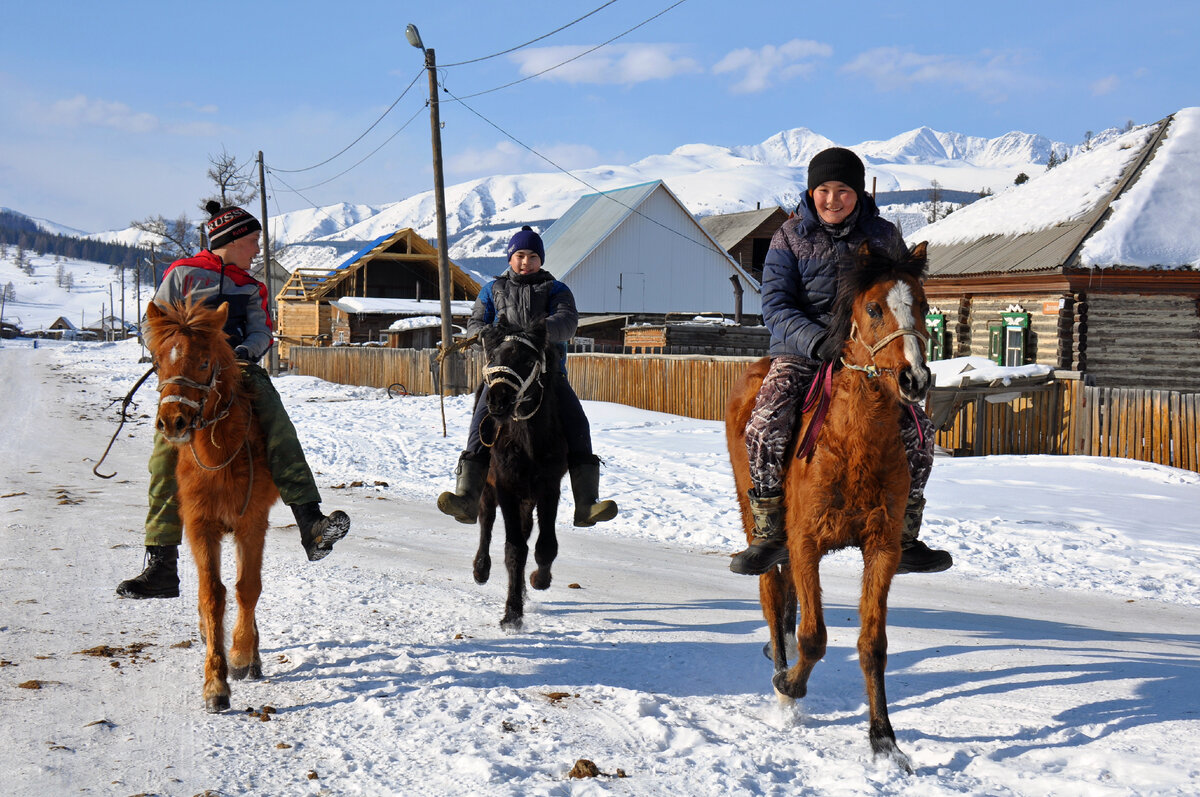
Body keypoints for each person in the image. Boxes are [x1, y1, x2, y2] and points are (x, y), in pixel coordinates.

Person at [729, 147, 953, 576]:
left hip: (870, 359)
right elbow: (775, 306)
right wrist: (817, 343)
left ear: (858, 194)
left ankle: (904, 535)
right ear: (811, 193)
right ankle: (770, 530)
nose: (833, 200)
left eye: (844, 190)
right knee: (764, 425)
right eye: (824, 190)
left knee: (919, 436)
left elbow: (899, 294)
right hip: (802, 353)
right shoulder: (788, 237)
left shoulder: (883, 236)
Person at [116, 201, 351, 599]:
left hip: (236, 369)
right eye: (254, 241)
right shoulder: (182, 274)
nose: (258, 249)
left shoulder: (252, 286)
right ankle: (161, 564)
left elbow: (263, 332)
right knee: (163, 457)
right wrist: (173, 350)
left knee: (277, 425)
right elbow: (151, 322)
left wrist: (244, 352)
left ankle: (310, 523)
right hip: (188, 373)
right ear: (234, 239)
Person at [437, 226, 617, 528]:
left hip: (547, 372)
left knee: (576, 421)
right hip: (503, 374)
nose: (525, 261)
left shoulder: (556, 289)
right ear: (510, 257)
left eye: (532, 256)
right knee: (481, 420)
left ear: (541, 260)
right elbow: (476, 323)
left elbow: (567, 322)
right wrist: (489, 335)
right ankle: (467, 496)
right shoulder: (492, 290)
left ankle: (586, 502)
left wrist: (537, 333)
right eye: (520, 255)